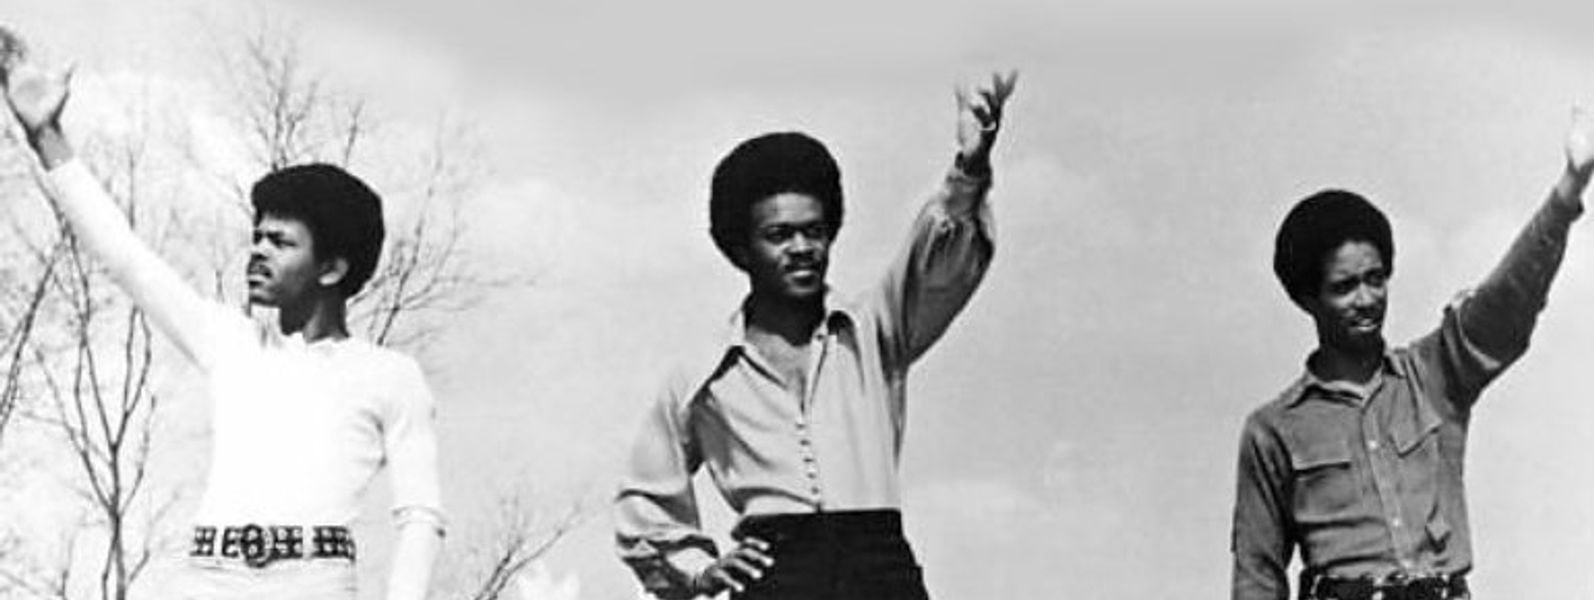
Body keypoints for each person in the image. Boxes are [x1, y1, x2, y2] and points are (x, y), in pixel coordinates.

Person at [1, 47, 444, 599]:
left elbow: (421, 515)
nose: (258, 251)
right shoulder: (230, 342)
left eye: (280, 242)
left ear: (332, 268)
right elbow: (125, 257)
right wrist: (47, 137)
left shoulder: (390, 376)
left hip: (315, 582)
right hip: (209, 578)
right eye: (257, 236)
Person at [613, 72, 1017, 600]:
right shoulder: (702, 375)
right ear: (741, 249)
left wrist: (970, 167)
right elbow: (644, 499)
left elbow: (938, 257)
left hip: (882, 573)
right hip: (776, 577)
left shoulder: (875, 329)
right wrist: (698, 569)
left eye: (814, 231)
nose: (802, 248)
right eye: (779, 235)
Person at [1230, 107, 1594, 600]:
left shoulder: (1435, 375)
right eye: (1344, 287)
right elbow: (1256, 576)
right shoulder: (1273, 430)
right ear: (1306, 298)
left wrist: (1570, 187)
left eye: (1375, 279)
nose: (1366, 299)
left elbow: (1507, 303)